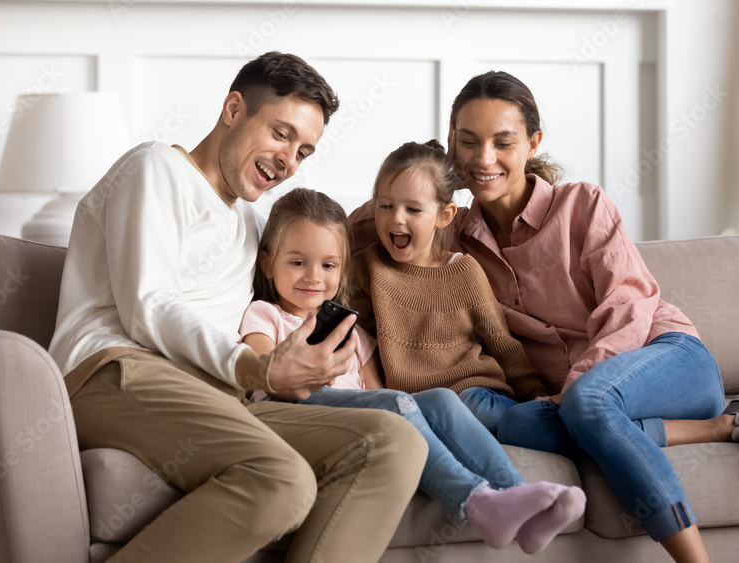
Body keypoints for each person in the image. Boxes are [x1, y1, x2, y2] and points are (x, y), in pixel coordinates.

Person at [350, 71, 739, 563]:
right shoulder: (454, 233)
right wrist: (398, 197)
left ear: (533, 142)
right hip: (579, 403)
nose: (483, 158)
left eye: (503, 142)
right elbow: (370, 219)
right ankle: (725, 426)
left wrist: (577, 386)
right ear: (452, 143)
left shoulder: (582, 205)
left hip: (666, 359)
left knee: (587, 402)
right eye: (468, 142)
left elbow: (629, 306)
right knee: (516, 426)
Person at [48, 52, 428, 563]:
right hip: (115, 371)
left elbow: (325, 239)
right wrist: (256, 367)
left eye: (305, 151)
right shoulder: (155, 168)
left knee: (396, 442)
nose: (289, 160)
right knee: (283, 479)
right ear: (233, 109)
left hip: (220, 396)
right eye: (281, 133)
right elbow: (150, 306)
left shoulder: (252, 225)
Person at [240, 185, 585, 554]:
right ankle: (478, 504)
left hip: (357, 413)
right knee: (399, 407)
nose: (313, 277)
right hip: (299, 413)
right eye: (296, 262)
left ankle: (519, 500)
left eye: (328, 265)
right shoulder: (265, 316)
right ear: (267, 263)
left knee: (441, 399)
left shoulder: (351, 330)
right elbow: (264, 373)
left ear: (342, 270)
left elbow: (372, 391)